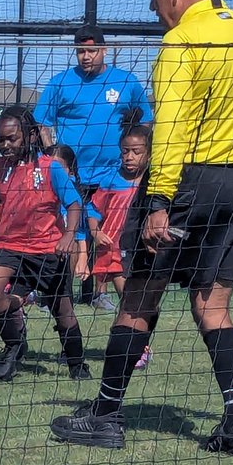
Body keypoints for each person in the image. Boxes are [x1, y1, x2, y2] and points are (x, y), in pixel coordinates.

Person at [49, 0, 233, 455]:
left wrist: (158, 203)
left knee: (139, 299)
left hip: (186, 183)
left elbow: (170, 129)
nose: (152, 6)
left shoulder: (181, 42)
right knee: (213, 307)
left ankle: (104, 415)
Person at [0, 106, 89, 382]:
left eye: (11, 139)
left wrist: (68, 234)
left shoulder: (50, 168)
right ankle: (15, 344)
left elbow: (74, 204)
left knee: (63, 311)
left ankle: (77, 365)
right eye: (0, 139)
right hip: (9, 245)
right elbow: (1, 199)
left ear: (29, 136)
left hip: (47, 250)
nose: (5, 145)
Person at [34, 24, 152, 310]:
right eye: (80, 51)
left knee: (108, 233)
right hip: (73, 176)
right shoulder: (61, 82)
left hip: (111, 174)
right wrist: (53, 158)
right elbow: (42, 122)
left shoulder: (125, 82)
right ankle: (57, 291)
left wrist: (139, 154)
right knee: (70, 232)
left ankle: (97, 292)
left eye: (91, 50)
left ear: (104, 50)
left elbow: (146, 119)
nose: (85, 56)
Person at [85, 121, 153, 369]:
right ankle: (139, 349)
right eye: (125, 151)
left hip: (141, 249)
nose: (129, 157)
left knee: (135, 301)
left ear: (149, 153)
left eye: (136, 152)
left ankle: (127, 343)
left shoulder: (153, 181)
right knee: (129, 298)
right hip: (113, 250)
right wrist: (96, 231)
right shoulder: (111, 179)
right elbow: (92, 209)